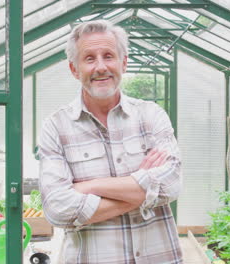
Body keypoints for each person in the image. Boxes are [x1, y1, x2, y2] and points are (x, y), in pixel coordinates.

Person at [38, 20, 183, 264]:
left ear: (123, 62)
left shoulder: (151, 115)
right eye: (90, 58)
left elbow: (172, 185)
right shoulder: (56, 127)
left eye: (108, 56)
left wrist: (88, 186)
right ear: (74, 69)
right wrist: (143, 191)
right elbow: (57, 208)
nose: (101, 67)